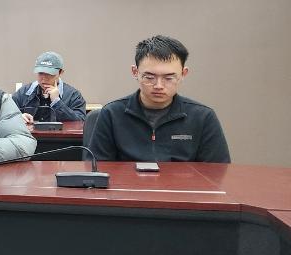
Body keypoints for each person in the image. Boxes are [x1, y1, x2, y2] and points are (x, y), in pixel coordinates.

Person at [89, 35, 230, 162]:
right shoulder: (112, 114)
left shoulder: (203, 117)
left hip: (182, 184)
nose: (158, 86)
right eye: (149, 77)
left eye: (169, 78)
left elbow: (217, 173)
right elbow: (97, 170)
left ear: (183, 74)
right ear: (135, 72)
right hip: (128, 183)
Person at [12, 51, 86, 123]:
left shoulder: (73, 95)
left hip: (60, 132)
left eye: (49, 73)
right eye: (40, 73)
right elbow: (7, 116)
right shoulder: (23, 93)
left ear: (60, 72)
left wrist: (57, 102)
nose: (44, 78)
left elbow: (80, 123)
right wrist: (18, 117)